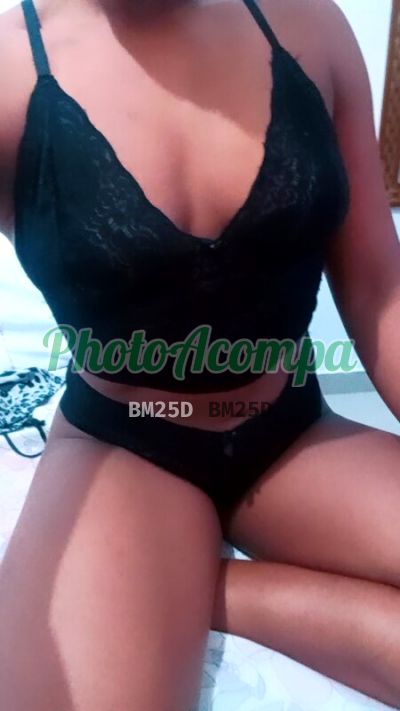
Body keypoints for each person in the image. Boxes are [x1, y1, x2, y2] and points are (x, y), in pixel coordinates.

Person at [0, 0, 400, 708]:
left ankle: (205, 595)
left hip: (293, 438)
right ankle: (164, 592)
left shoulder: (310, 28)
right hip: (126, 450)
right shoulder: (9, 69)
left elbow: (378, 289)